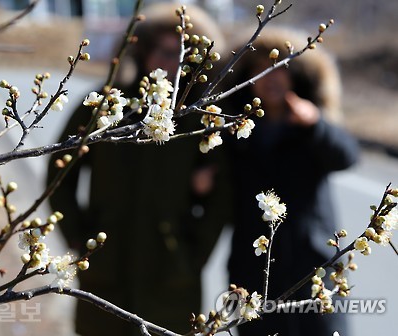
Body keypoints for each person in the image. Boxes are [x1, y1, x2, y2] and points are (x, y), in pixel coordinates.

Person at [47, 4, 229, 335]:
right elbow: (60, 173)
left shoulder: (200, 117)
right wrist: (77, 237)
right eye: (165, 50)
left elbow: (222, 195)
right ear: (142, 50)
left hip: (170, 272)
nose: (171, 62)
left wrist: (193, 255)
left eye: (182, 54)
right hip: (106, 264)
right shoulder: (106, 106)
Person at [222, 27, 359, 335]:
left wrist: (316, 125)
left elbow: (347, 156)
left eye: (281, 69)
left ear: (296, 77)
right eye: (260, 70)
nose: (271, 79)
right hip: (253, 265)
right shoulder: (235, 132)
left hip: (312, 264)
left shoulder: (309, 127)